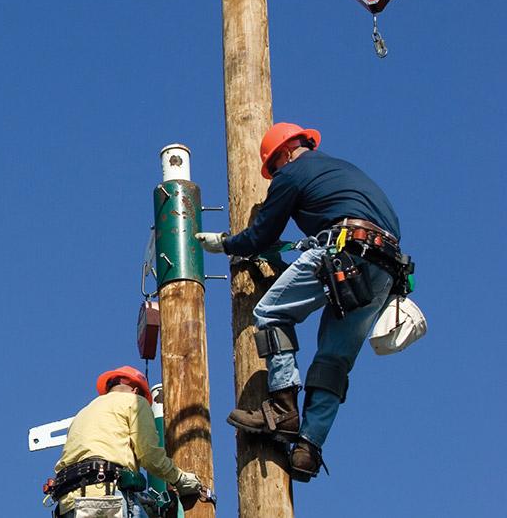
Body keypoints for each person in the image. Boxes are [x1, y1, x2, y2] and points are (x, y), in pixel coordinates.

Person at [195, 122, 410, 481]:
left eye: (273, 168)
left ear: (282, 154)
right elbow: (314, 240)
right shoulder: (345, 175)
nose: (275, 175)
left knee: (271, 312)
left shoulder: (292, 175)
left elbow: (262, 234)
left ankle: (282, 408)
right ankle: (308, 449)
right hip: (385, 271)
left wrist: (227, 244)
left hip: (344, 252)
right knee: (334, 360)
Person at [49, 366, 204, 518]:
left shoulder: (83, 413)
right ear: (137, 391)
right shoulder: (135, 402)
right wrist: (179, 479)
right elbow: (150, 456)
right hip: (106, 499)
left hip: (68, 505)